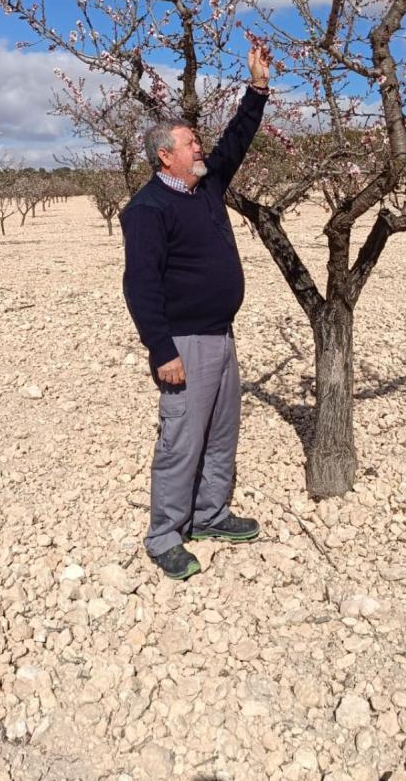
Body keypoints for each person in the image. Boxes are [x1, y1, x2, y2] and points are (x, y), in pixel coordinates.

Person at [119, 46, 271, 580]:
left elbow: (237, 141)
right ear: (166, 156)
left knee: (222, 433)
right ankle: (164, 535)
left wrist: (256, 90)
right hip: (185, 342)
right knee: (182, 439)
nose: (199, 145)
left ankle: (209, 514)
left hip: (222, 336)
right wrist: (162, 351)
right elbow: (139, 286)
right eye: (189, 141)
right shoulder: (147, 210)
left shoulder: (205, 185)